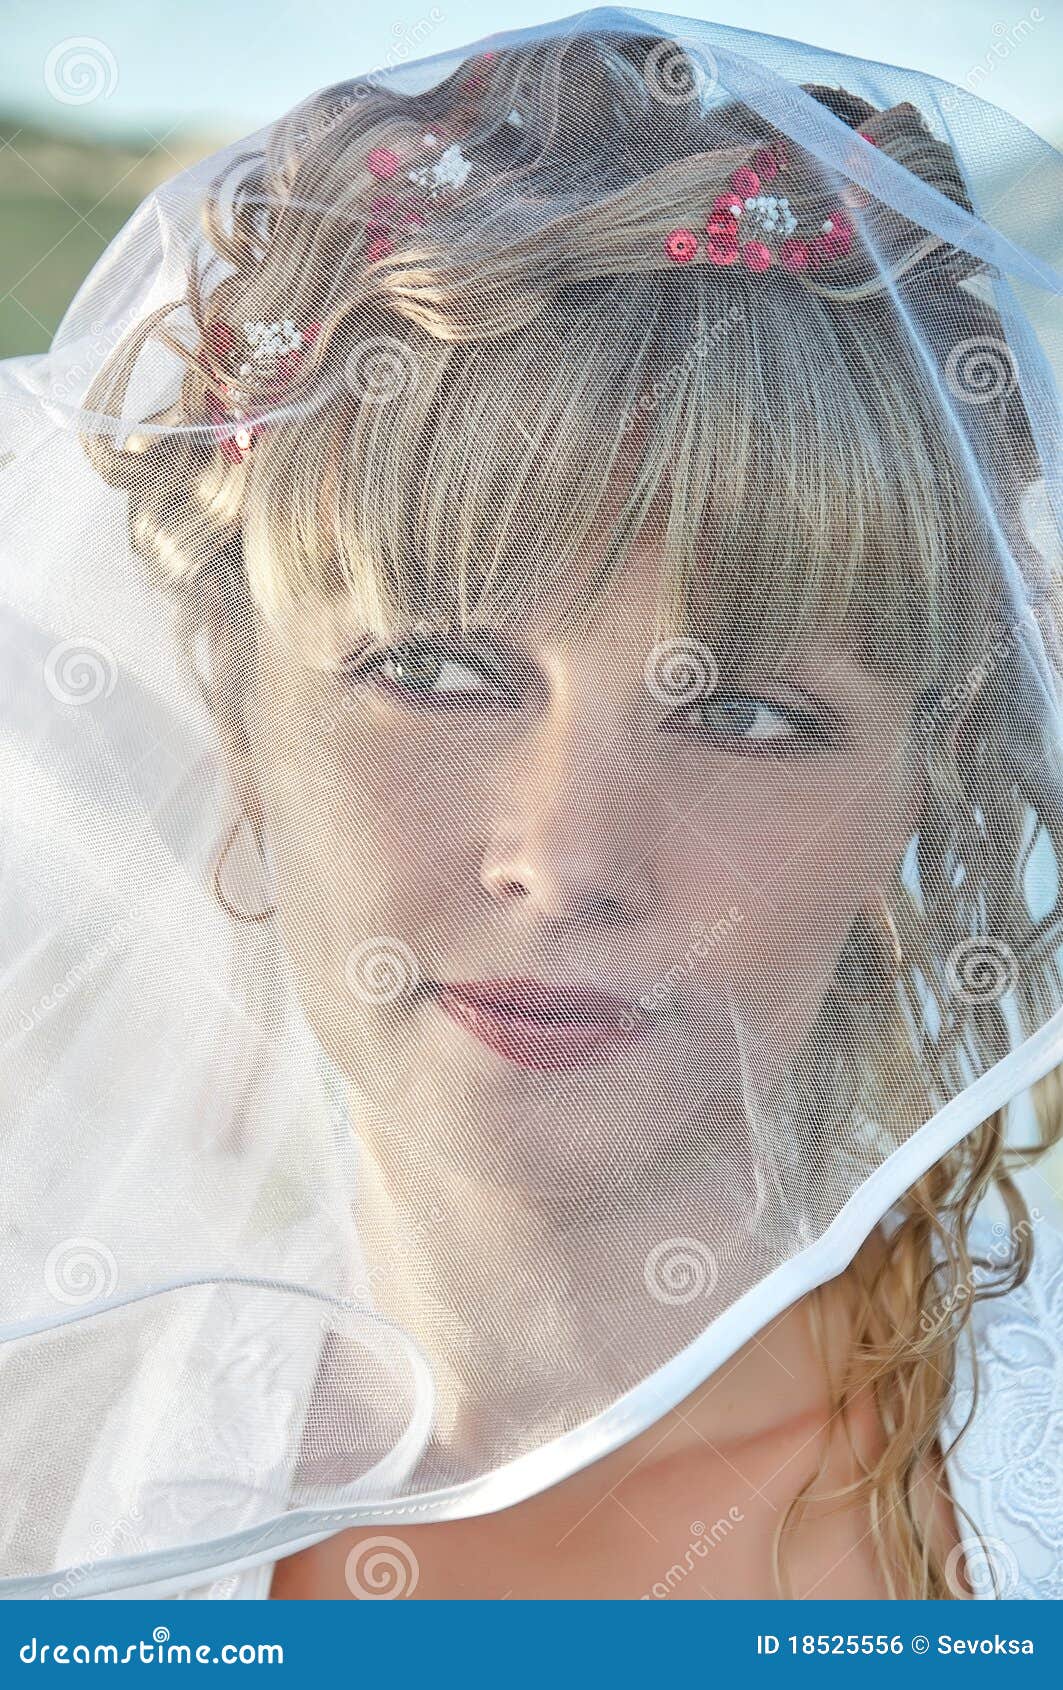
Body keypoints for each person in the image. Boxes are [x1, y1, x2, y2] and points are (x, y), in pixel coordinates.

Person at [2, 7, 1062, 1602]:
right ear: (237, 707)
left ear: (921, 778)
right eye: (434, 670)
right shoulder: (61, 1521)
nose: (568, 858)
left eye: (751, 712)